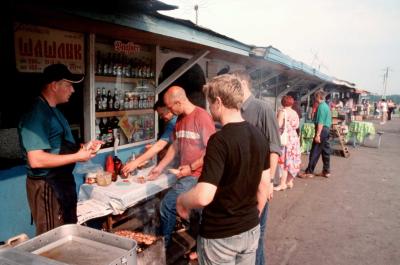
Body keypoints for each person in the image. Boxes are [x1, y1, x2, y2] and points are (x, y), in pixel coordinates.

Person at [176, 74, 269, 265]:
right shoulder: (259, 136)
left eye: (210, 102)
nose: (209, 108)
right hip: (251, 229)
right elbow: (264, 186)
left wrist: (182, 201)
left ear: (218, 102)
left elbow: (203, 196)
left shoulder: (219, 140)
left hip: (221, 236)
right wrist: (252, 217)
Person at [18, 63, 101, 235]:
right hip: (47, 185)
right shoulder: (37, 113)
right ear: (54, 85)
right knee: (52, 237)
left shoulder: (54, 111)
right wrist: (78, 157)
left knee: (67, 232)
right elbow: (36, 159)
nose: (73, 90)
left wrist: (85, 148)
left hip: (62, 182)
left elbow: (58, 147)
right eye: (69, 85)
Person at [147, 86, 215, 247]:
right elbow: (175, 146)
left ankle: (165, 245)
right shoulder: (180, 119)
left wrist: (191, 167)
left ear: (178, 102)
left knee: (166, 206)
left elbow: (212, 149)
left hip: (197, 174)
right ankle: (198, 246)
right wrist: (160, 167)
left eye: (170, 107)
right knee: (196, 213)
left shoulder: (202, 117)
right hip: (186, 174)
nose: (169, 111)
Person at [231, 70, 281, 265]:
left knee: (256, 237)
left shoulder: (262, 108)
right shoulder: (233, 109)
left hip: (258, 183)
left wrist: (269, 182)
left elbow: (274, 148)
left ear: (243, 84)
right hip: (238, 184)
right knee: (241, 239)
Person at [121, 99, 177, 176]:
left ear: (168, 108)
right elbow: (173, 144)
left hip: (177, 165)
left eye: (161, 114)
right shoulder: (173, 121)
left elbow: (160, 145)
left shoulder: (172, 123)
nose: (161, 117)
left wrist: (135, 163)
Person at [299, 90, 332, 178]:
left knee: (315, 151)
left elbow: (320, 122)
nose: (314, 98)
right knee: (325, 151)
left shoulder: (321, 107)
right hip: (326, 130)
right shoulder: (326, 106)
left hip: (321, 130)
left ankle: (309, 171)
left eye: (315, 97)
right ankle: (326, 171)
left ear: (318, 97)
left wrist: (317, 135)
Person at [274, 95, 301, 191]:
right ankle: (289, 181)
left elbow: (278, 125)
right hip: (294, 139)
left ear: (282, 102)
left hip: (285, 139)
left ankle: (282, 184)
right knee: (292, 161)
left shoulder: (282, 111)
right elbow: (297, 125)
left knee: (284, 162)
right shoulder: (295, 112)